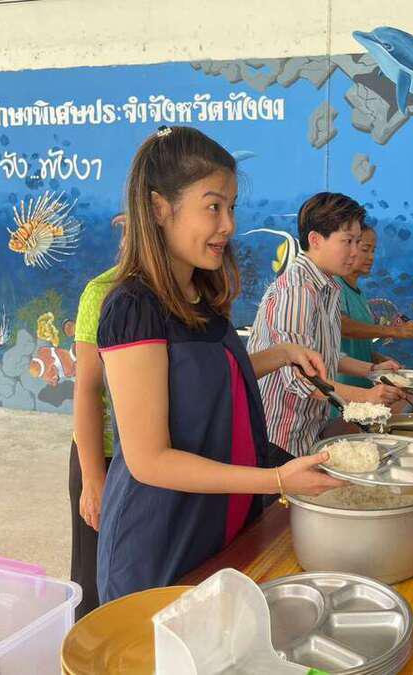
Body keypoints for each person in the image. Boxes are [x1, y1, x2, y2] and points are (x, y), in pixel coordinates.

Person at [96, 127, 344, 602]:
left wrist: (284, 354)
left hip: (219, 529)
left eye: (231, 207)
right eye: (213, 207)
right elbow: (149, 460)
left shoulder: (201, 295)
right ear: (159, 208)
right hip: (162, 546)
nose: (228, 225)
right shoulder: (134, 308)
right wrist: (276, 480)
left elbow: (207, 381)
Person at [249, 192, 403, 457]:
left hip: (308, 430)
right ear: (315, 240)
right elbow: (301, 379)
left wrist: (372, 370)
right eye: (347, 241)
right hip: (280, 437)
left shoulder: (327, 286)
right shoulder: (297, 290)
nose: (354, 251)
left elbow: (327, 354)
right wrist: (365, 396)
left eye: (357, 242)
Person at [70, 264, 117, 620]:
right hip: (103, 457)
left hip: (156, 463)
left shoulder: (192, 286)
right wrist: (93, 479)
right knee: (94, 584)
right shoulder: (102, 291)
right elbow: (87, 389)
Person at [337, 222, 413, 389]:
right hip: (343, 390)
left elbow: (354, 346)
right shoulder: (335, 286)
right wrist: (395, 330)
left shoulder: (359, 294)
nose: (371, 257)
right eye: (365, 249)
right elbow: (343, 326)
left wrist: (378, 361)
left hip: (363, 390)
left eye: (373, 251)